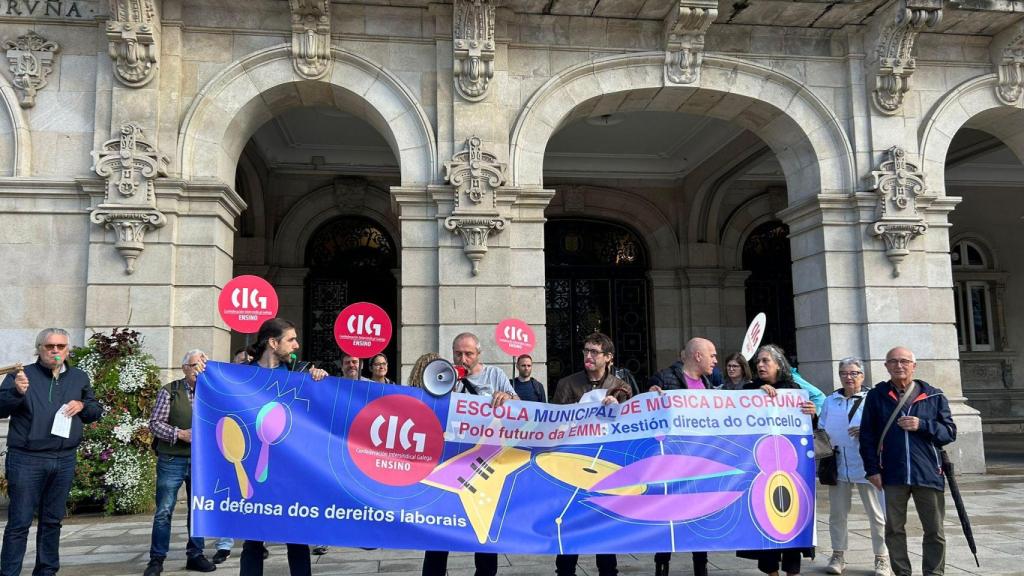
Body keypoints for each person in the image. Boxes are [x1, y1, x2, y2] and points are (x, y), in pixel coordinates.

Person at [0, 328, 103, 576]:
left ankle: (46, 571)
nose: (55, 351)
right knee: (19, 523)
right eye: (49, 346)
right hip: (27, 459)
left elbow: (95, 409)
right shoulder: (21, 375)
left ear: (67, 350)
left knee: (52, 521)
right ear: (39, 349)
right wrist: (17, 392)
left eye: (60, 346)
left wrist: (82, 405)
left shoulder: (78, 377)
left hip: (64, 458)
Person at [422, 333, 518, 576]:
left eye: (469, 354)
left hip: (484, 463)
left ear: (478, 354)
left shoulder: (495, 375)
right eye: (458, 353)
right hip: (450, 460)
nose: (463, 359)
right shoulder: (444, 375)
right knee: (439, 530)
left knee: (482, 530)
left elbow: (519, 406)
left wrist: (508, 397)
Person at [239, 318, 327, 576]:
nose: (296, 345)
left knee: (297, 537)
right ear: (273, 342)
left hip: (290, 471)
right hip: (254, 468)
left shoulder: (299, 373)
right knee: (253, 540)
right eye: (291, 339)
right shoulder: (243, 374)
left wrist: (319, 378)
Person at [859, 347, 956, 576]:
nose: (898, 365)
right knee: (893, 529)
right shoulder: (876, 395)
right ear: (886, 366)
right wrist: (872, 469)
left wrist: (922, 425)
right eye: (893, 361)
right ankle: (902, 572)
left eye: (904, 361)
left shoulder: (934, 395)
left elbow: (949, 432)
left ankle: (933, 573)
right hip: (891, 473)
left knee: (934, 530)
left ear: (914, 365)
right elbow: (867, 436)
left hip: (928, 472)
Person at [551, 332, 631, 576]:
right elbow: (553, 423)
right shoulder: (567, 384)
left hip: (606, 467)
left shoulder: (621, 387)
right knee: (569, 529)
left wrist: (619, 407)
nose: (588, 356)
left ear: (608, 357)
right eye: (586, 351)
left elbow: (633, 423)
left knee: (604, 530)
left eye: (594, 352)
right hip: (572, 464)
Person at [738, 344, 817, 576]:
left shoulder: (793, 390)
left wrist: (812, 413)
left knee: (792, 519)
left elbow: (806, 429)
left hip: (791, 468)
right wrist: (757, 395)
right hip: (760, 468)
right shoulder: (750, 389)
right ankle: (770, 571)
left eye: (766, 361)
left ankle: (792, 571)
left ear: (778, 365)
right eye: (758, 362)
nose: (760, 365)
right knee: (765, 521)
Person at [648, 338, 718, 576]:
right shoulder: (663, 378)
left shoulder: (709, 383)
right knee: (667, 517)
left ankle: (701, 567)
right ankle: (662, 566)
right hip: (671, 463)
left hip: (699, 463)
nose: (715, 361)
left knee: (699, 518)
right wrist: (650, 398)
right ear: (698, 356)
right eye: (712, 355)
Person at [144, 349, 217, 575]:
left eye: (203, 365)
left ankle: (195, 554)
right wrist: (179, 434)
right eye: (195, 365)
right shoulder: (170, 392)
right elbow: (155, 423)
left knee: (197, 510)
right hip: (172, 459)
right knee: (164, 510)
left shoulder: (213, 392)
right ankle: (156, 559)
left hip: (201, 462)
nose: (199, 370)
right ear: (184, 368)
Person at [820, 357, 889, 576]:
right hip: (838, 465)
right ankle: (838, 554)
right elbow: (821, 427)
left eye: (854, 373)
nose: (849, 377)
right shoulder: (831, 400)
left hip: (867, 465)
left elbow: (886, 427)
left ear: (862, 375)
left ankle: (882, 557)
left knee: (877, 514)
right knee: (837, 514)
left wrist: (867, 431)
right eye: (844, 373)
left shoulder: (873, 398)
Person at [211, 349, 254, 565]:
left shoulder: (257, 386)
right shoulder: (224, 386)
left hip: (253, 451)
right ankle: (224, 545)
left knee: (256, 500)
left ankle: (256, 542)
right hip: (230, 450)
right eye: (240, 361)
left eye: (248, 362)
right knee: (229, 499)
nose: (245, 364)